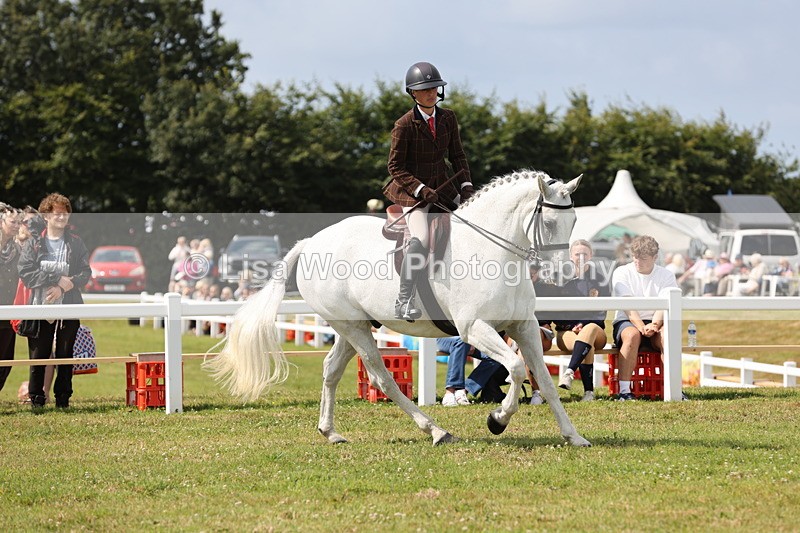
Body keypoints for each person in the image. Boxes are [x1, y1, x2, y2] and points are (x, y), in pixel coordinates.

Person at [384, 61, 474, 321]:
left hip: (444, 187)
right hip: (412, 193)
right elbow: (395, 166)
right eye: (425, 89)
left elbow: (457, 155)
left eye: (435, 87)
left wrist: (466, 186)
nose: (431, 92)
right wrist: (421, 189)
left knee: (474, 223)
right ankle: (404, 300)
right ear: (413, 93)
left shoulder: (448, 118)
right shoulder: (404, 125)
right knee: (421, 238)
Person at [18, 193, 91, 409]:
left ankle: (63, 399)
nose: (62, 217)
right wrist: (56, 279)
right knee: (38, 354)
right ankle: (37, 399)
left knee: (65, 353)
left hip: (69, 305)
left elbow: (85, 272)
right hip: (39, 306)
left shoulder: (76, 243)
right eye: (57, 213)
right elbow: (26, 272)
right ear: (47, 216)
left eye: (65, 213)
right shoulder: (34, 243)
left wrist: (65, 286)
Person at [611, 235, 679, 401]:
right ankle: (625, 392)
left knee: (668, 337)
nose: (637, 261)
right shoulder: (621, 272)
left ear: (655, 258)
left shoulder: (666, 275)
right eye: (635, 257)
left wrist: (655, 324)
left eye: (643, 258)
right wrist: (641, 327)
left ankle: (675, 389)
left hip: (656, 321)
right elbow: (628, 306)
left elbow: (666, 303)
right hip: (627, 321)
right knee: (632, 335)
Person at [554, 240, 609, 402]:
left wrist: (582, 324)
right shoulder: (561, 280)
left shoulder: (601, 279)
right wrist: (572, 326)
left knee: (589, 329)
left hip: (596, 330)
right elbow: (557, 311)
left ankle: (569, 371)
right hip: (567, 332)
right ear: (571, 256)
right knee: (586, 343)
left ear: (591, 255)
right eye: (577, 254)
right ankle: (588, 393)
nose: (581, 257)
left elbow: (601, 311)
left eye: (585, 253)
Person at [0, 203, 22, 393]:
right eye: (13, 222)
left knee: (6, 361)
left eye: (19, 222)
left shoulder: (17, 250)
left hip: (10, 313)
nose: (17, 225)